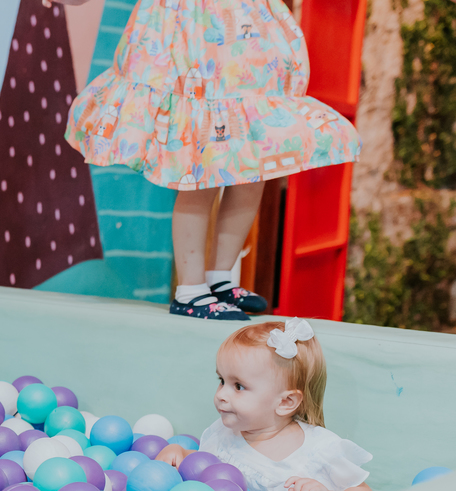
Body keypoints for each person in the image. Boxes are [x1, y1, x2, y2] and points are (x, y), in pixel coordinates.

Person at [54, 0, 361, 320]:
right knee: (199, 170)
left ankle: (220, 279)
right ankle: (190, 289)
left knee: (252, 169)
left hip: (246, 43)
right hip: (194, 38)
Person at [157, 319, 373, 491]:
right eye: (221, 380)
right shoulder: (225, 434)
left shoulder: (319, 451)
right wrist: (179, 452)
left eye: (239, 386)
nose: (221, 394)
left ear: (286, 402)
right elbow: (203, 466)